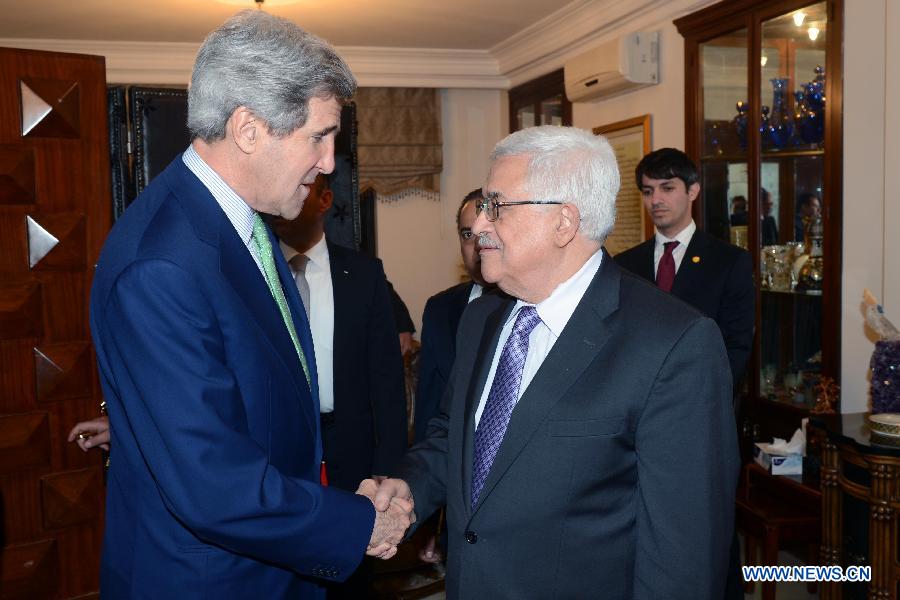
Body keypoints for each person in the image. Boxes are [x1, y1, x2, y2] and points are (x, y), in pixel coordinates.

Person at [89, 11, 412, 598]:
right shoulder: (161, 265)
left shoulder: (241, 219)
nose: (329, 163)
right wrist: (358, 523)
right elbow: (213, 485)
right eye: (318, 135)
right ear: (248, 129)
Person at [369, 126, 739, 598]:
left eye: (496, 206)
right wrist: (408, 487)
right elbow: (456, 437)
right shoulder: (481, 316)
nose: (480, 224)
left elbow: (683, 553)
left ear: (564, 222)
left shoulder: (673, 343)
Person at [615, 147, 755, 389]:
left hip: (701, 399)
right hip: (635, 405)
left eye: (667, 188)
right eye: (648, 191)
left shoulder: (729, 262)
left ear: (693, 191)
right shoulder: (624, 264)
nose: (655, 200)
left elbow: (737, 345)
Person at [413, 188, 493, 444]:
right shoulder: (439, 309)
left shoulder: (530, 306)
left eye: (486, 232)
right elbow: (429, 403)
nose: (478, 244)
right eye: (468, 234)